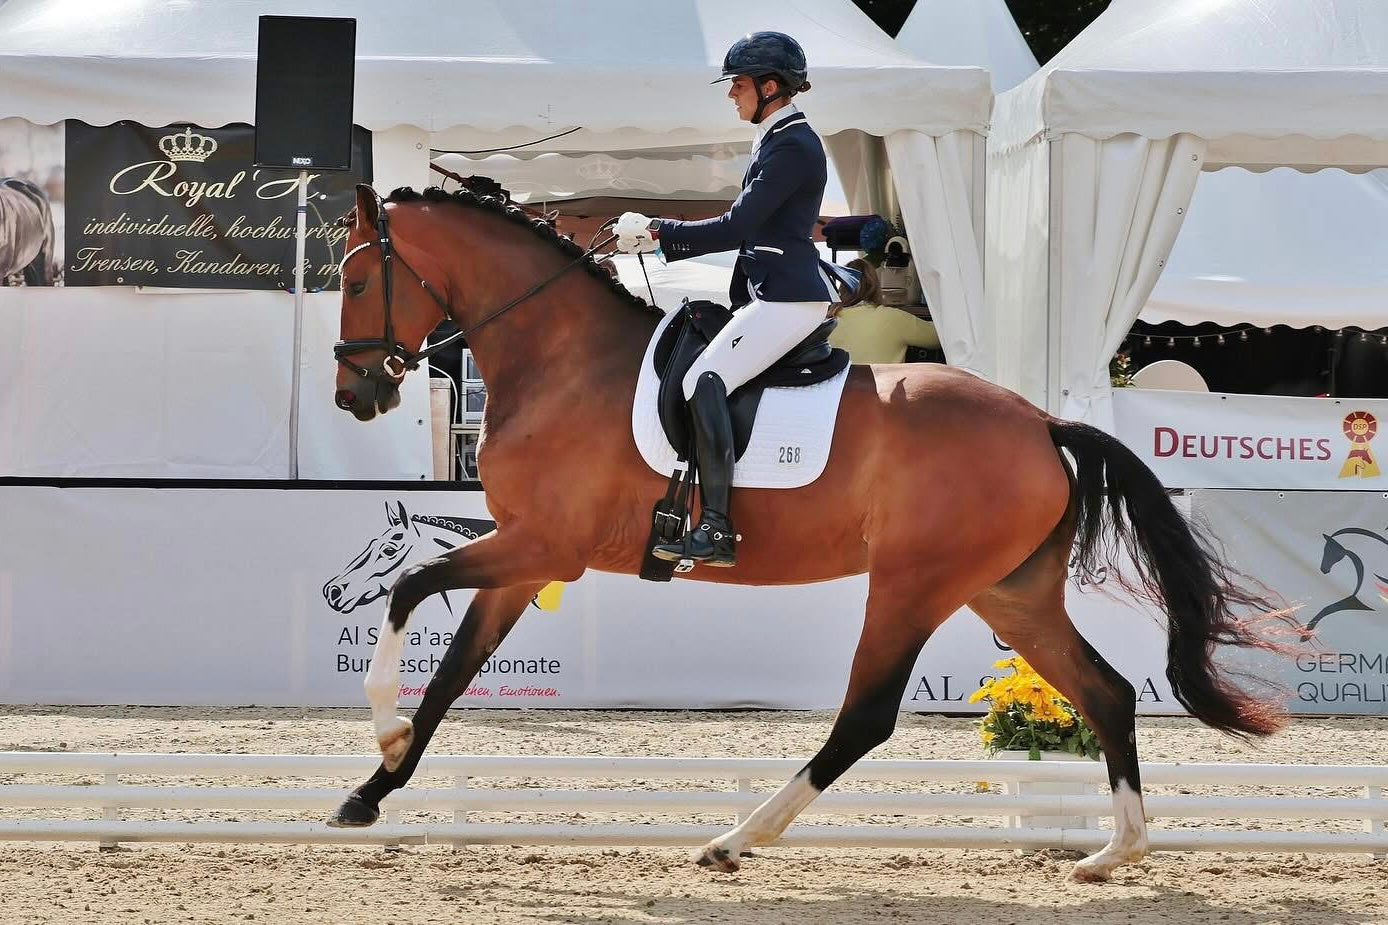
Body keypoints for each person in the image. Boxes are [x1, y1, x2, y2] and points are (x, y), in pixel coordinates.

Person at [614, 31, 834, 568]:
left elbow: (739, 226)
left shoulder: (794, 145)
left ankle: (716, 527)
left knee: (703, 379)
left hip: (788, 298)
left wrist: (660, 233)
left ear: (770, 85)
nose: (730, 93)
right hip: (769, 291)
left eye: (737, 83)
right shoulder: (776, 138)